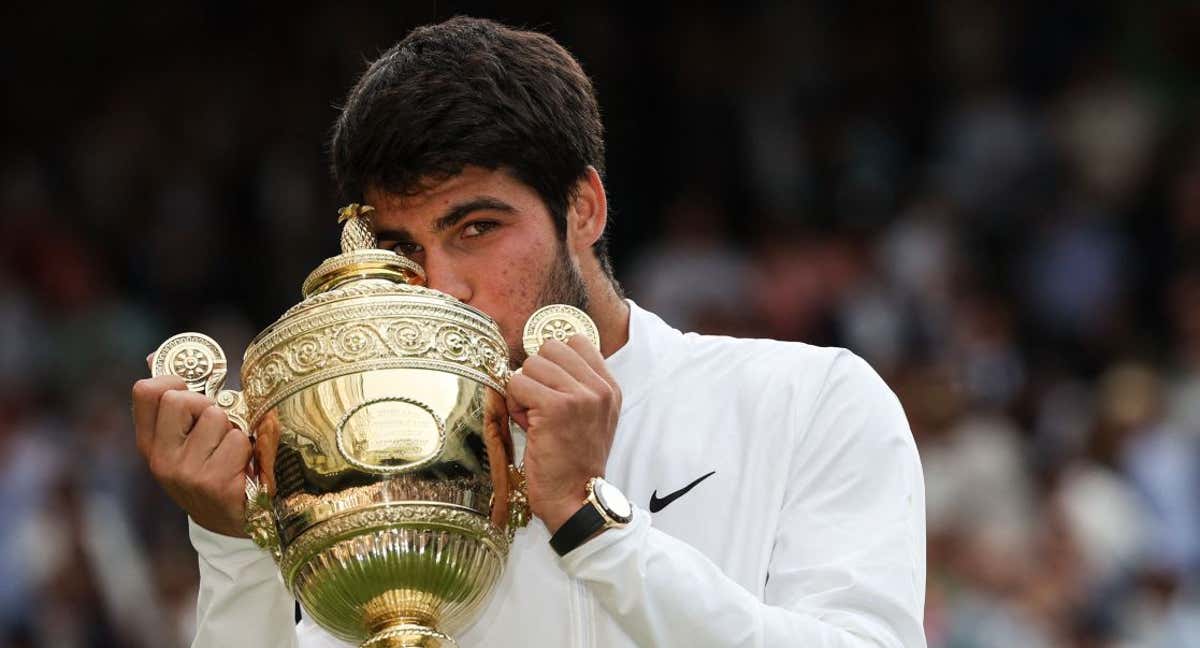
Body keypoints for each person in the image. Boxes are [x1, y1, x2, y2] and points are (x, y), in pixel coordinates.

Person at [131, 17, 926, 647]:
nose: (442, 286)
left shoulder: (807, 399)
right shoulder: (370, 461)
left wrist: (591, 522)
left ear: (583, 208)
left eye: (476, 227)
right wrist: (234, 543)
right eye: (402, 249)